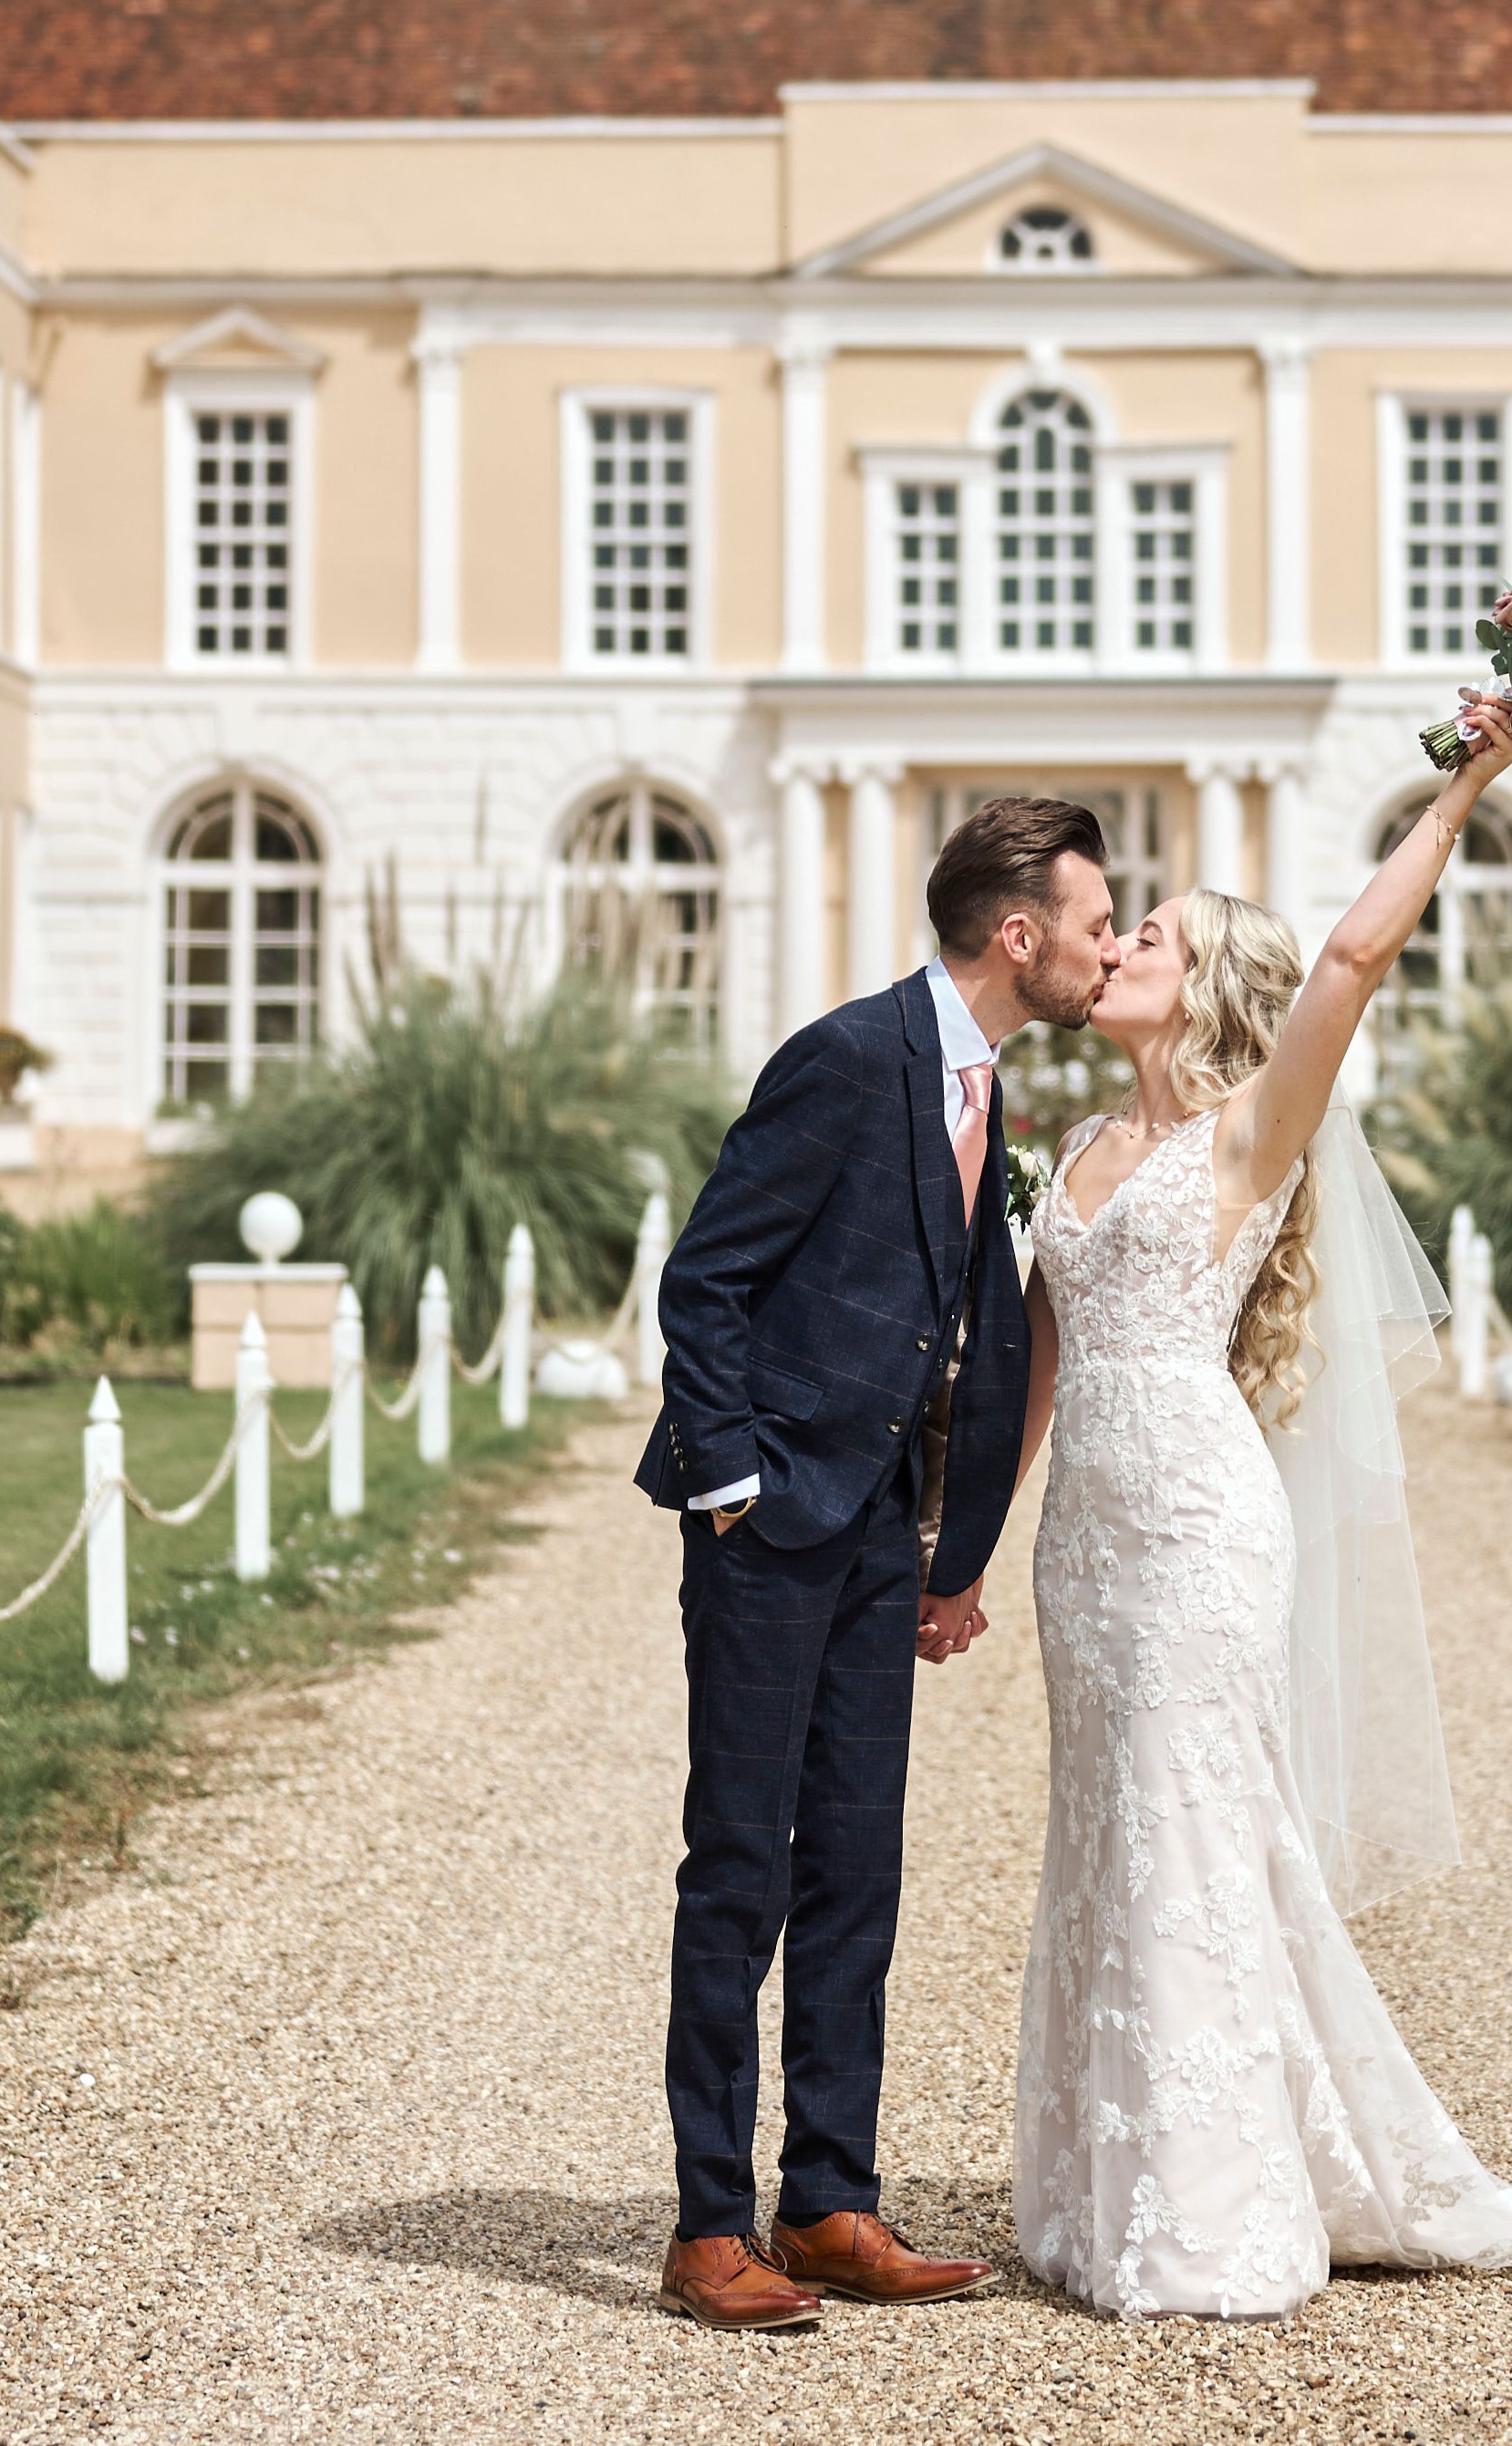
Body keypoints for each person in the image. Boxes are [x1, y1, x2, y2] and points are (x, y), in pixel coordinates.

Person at [989, 689, 1512, 2316]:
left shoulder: (1253, 1133)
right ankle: (1106, 2180)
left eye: (1156, 935)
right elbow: (1039, 1367)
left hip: (1198, 1532)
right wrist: (960, 1548)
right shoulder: (1075, 1148)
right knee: (1108, 1834)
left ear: (1209, 988)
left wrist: (1468, 782)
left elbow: (1346, 962)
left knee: (1193, 1826)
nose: (1117, 946)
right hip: (1085, 1550)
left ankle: (1210, 2210)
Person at [634, 793, 1118, 2332]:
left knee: (858, 1867)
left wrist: (946, 1545)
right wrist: (732, 1486)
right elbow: (705, 1280)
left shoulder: (989, 1088)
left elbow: (958, 1341)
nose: (1111, 950)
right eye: (1098, 925)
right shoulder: (849, 1057)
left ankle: (830, 2196)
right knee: (742, 1864)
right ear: (1018, 932)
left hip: (874, 1542)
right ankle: (711, 2221)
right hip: (771, 1532)